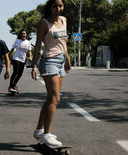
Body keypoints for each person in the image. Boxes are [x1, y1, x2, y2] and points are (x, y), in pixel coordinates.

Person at [31, 0, 71, 146]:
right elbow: (37, 45)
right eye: (55, 6)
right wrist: (34, 65)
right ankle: (47, 134)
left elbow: (64, 42)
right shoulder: (44, 23)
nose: (58, 9)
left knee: (50, 99)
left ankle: (39, 131)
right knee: (55, 99)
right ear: (50, 7)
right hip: (49, 61)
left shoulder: (64, 20)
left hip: (61, 61)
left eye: (60, 6)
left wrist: (67, 59)